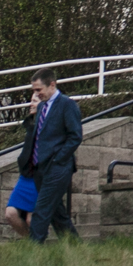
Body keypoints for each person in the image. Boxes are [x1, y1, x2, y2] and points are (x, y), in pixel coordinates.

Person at [23, 68, 83, 244]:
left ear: (52, 85)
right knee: (58, 214)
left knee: (41, 210)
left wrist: (58, 158)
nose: (36, 94)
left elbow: (75, 136)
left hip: (58, 167)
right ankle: (76, 248)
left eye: (38, 89)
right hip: (40, 168)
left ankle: (34, 251)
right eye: (34, 90)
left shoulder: (67, 105)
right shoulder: (42, 107)